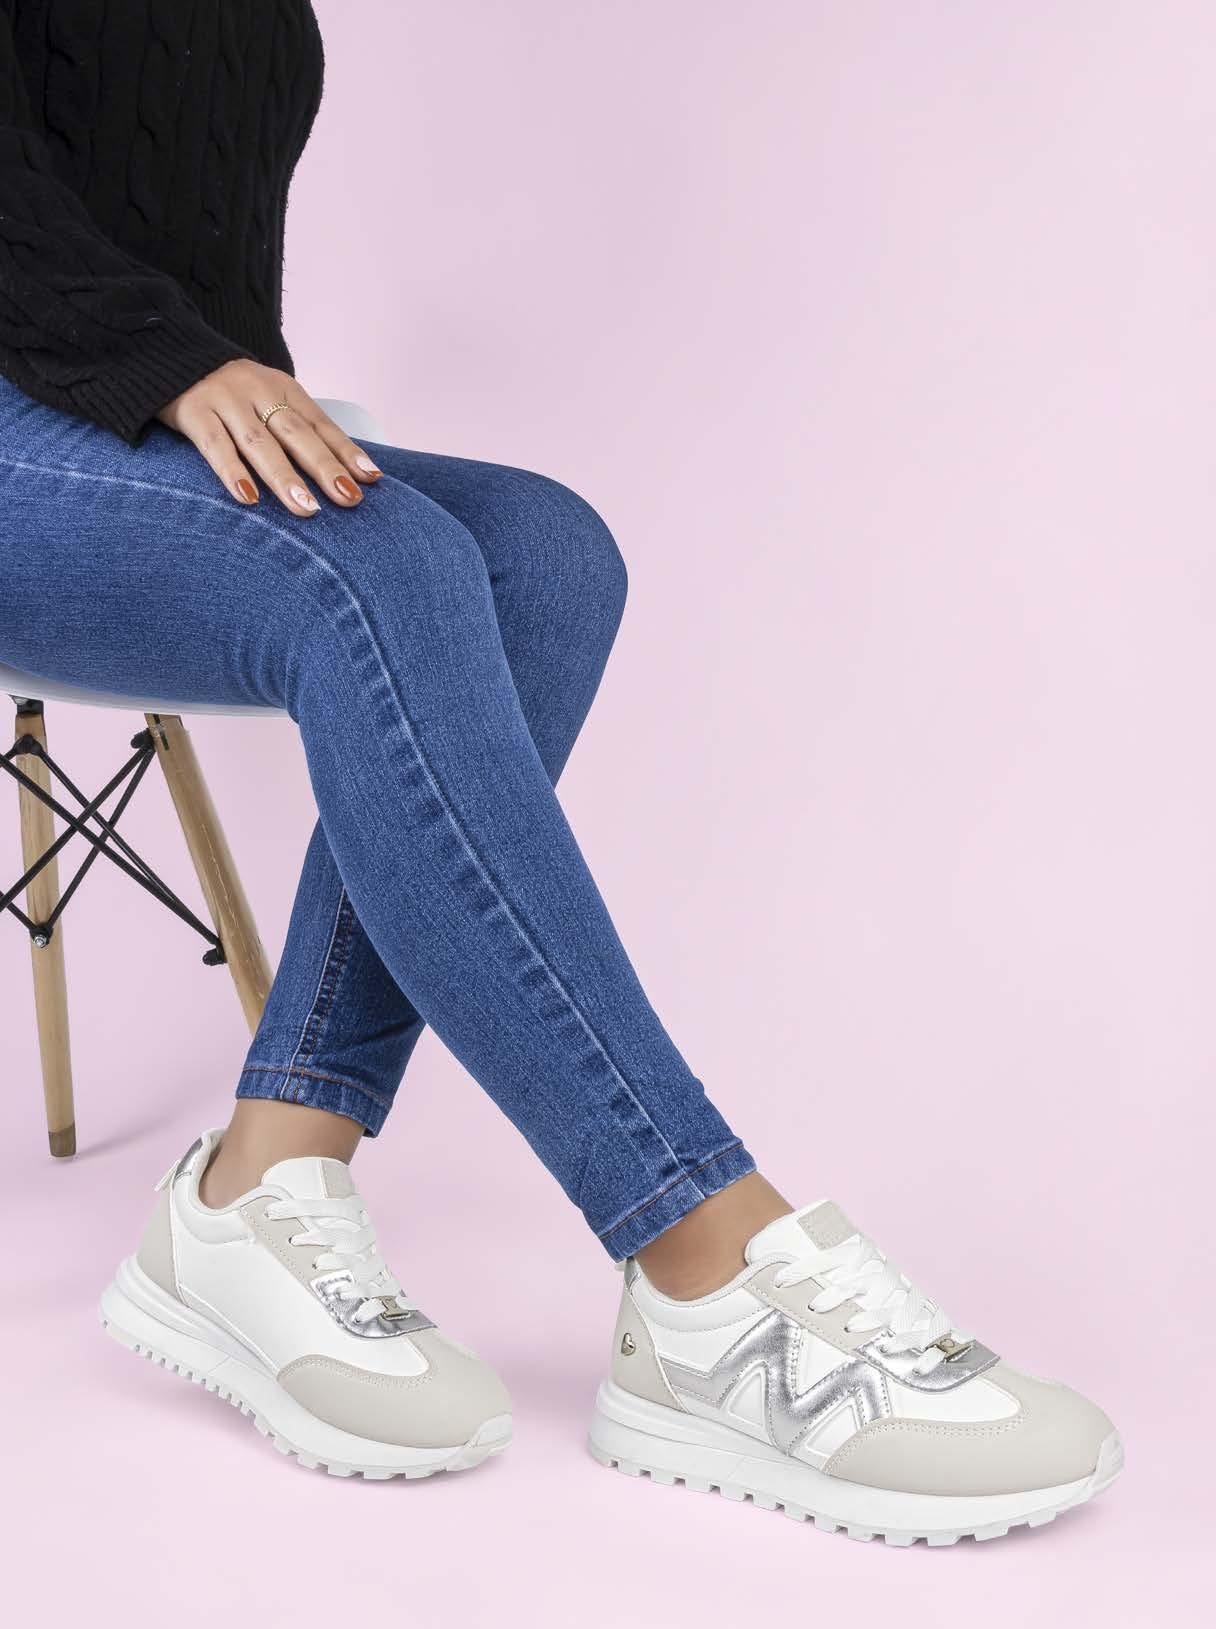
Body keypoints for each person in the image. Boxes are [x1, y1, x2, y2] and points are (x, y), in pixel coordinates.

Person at [0, 2, 1120, 1543]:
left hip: (92, 409)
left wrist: (206, 382)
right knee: (377, 573)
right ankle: (707, 1266)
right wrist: (163, 362)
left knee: (545, 556)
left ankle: (263, 1176)